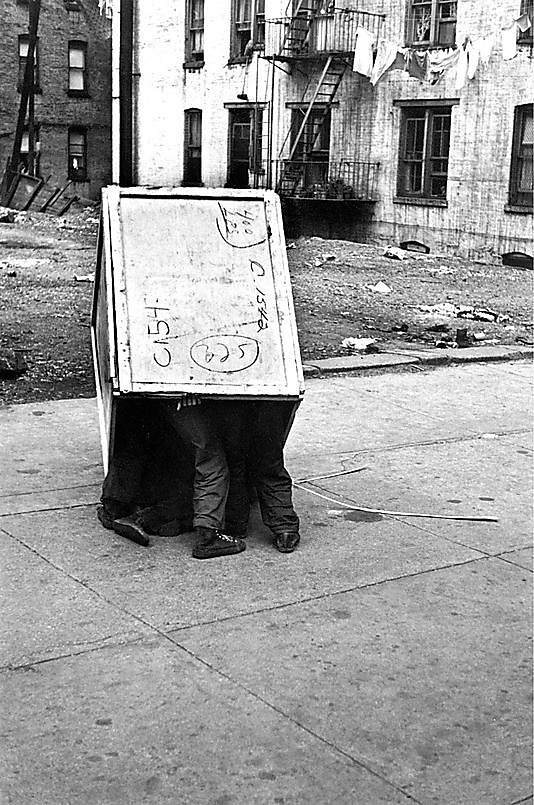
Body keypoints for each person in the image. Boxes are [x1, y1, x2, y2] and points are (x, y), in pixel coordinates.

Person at [213, 400, 301, 553]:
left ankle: (236, 524)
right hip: (272, 391)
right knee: (269, 458)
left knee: (234, 460)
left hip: (231, 392)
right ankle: (284, 526)